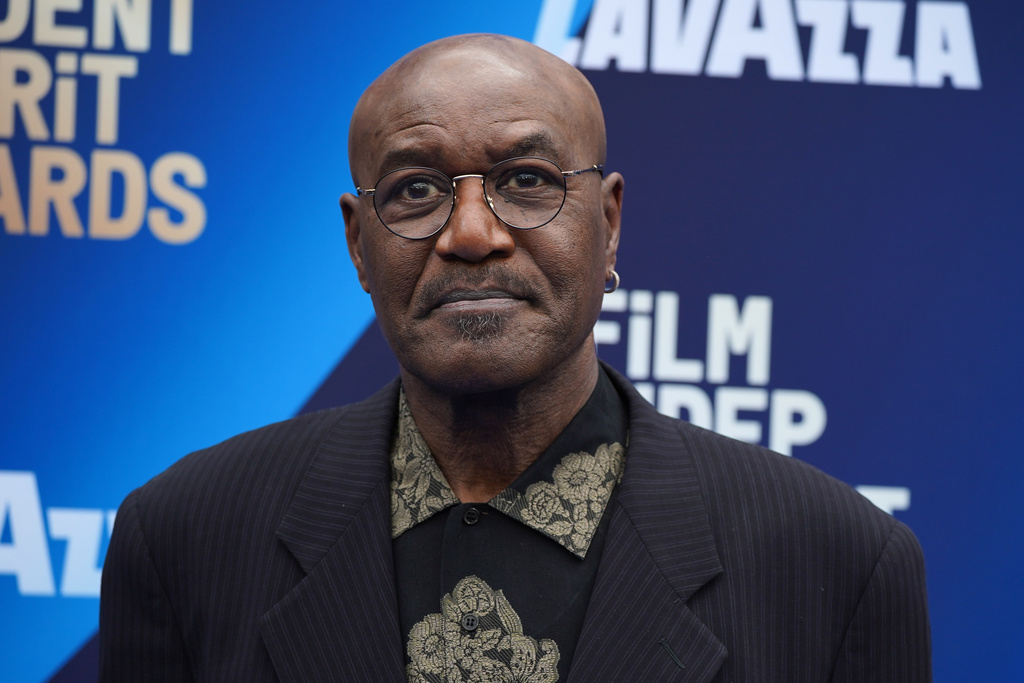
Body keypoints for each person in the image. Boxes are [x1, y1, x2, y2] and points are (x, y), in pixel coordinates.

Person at [99, 34, 931, 682]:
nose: (470, 234)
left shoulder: (836, 563)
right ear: (358, 244)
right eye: (416, 189)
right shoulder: (186, 539)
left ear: (608, 223)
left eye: (526, 179)